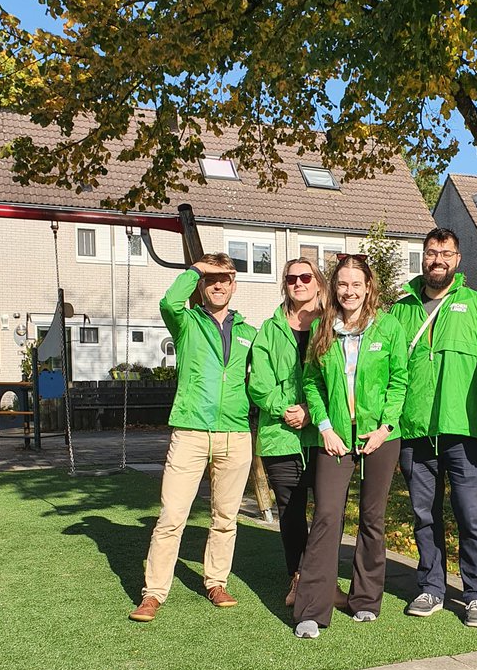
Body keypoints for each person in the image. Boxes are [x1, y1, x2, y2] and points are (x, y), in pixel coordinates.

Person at [129, 254, 255, 621]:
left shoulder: (249, 332)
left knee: (225, 517)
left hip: (236, 433)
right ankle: (153, 593)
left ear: (234, 285)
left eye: (225, 279)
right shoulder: (186, 322)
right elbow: (168, 301)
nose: (218, 285)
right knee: (171, 516)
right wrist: (196, 268)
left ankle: (216, 581)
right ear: (201, 284)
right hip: (191, 431)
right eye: (211, 279)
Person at [390, 226, 477, 627]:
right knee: (424, 513)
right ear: (423, 257)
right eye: (431, 252)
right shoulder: (399, 311)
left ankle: (476, 593)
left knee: (471, 514)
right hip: (414, 429)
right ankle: (431, 586)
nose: (437, 260)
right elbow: (387, 372)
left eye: (446, 253)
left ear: (458, 260)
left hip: (465, 429)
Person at [293, 255, 408, 639]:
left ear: (368, 287)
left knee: (372, 518)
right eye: (342, 284)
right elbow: (311, 382)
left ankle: (365, 600)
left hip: (380, 438)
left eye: (356, 284)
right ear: (334, 287)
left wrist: (384, 428)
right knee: (326, 516)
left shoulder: (388, 328)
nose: (349, 291)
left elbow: (399, 381)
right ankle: (312, 610)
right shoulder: (323, 328)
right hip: (335, 437)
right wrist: (324, 426)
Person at [248, 258, 347, 609]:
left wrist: (311, 411)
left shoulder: (335, 326)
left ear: (319, 283)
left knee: (329, 510)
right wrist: (286, 409)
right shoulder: (268, 331)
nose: (298, 283)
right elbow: (258, 384)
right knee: (291, 511)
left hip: (325, 434)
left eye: (306, 277)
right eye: (291, 278)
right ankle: (299, 577)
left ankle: (325, 579)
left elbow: (340, 380)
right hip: (281, 435)